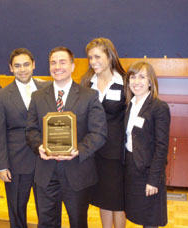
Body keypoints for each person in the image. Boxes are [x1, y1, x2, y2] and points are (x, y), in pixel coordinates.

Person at [26, 46, 108, 228]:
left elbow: (99, 133)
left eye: (62, 62)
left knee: (78, 223)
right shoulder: (38, 97)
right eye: (53, 63)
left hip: (77, 172)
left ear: (72, 66)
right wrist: (39, 146)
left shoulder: (89, 96)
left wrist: (78, 150)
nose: (57, 67)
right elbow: (31, 131)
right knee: (46, 223)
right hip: (46, 172)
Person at [0, 48, 49, 228]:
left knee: (47, 210)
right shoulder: (1, 96)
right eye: (17, 66)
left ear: (33, 65)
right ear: (10, 68)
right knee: (17, 209)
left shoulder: (47, 89)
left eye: (26, 64)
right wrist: (1, 166)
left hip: (44, 161)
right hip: (17, 163)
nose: (22, 69)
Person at [81, 38, 126, 228]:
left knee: (117, 201)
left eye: (97, 56)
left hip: (115, 154)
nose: (93, 61)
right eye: (90, 57)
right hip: (93, 152)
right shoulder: (86, 83)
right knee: (101, 199)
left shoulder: (124, 82)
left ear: (109, 56)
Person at [124, 61, 170, 228]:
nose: (137, 82)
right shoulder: (130, 105)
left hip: (148, 172)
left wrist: (153, 179)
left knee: (150, 220)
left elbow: (161, 147)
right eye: (133, 77)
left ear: (151, 81)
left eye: (142, 77)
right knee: (138, 215)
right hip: (131, 169)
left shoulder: (159, 107)